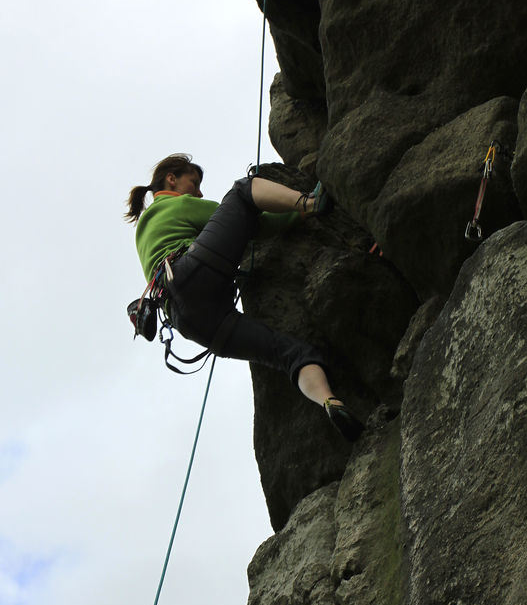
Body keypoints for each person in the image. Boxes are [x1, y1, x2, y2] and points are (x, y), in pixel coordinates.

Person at [125, 154, 364, 441]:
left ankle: (329, 401)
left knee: (290, 354)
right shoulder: (176, 205)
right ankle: (312, 200)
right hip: (191, 273)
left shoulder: (143, 230)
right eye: (194, 181)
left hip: (189, 323)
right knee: (242, 190)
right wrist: (303, 211)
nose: (199, 191)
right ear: (171, 180)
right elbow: (252, 220)